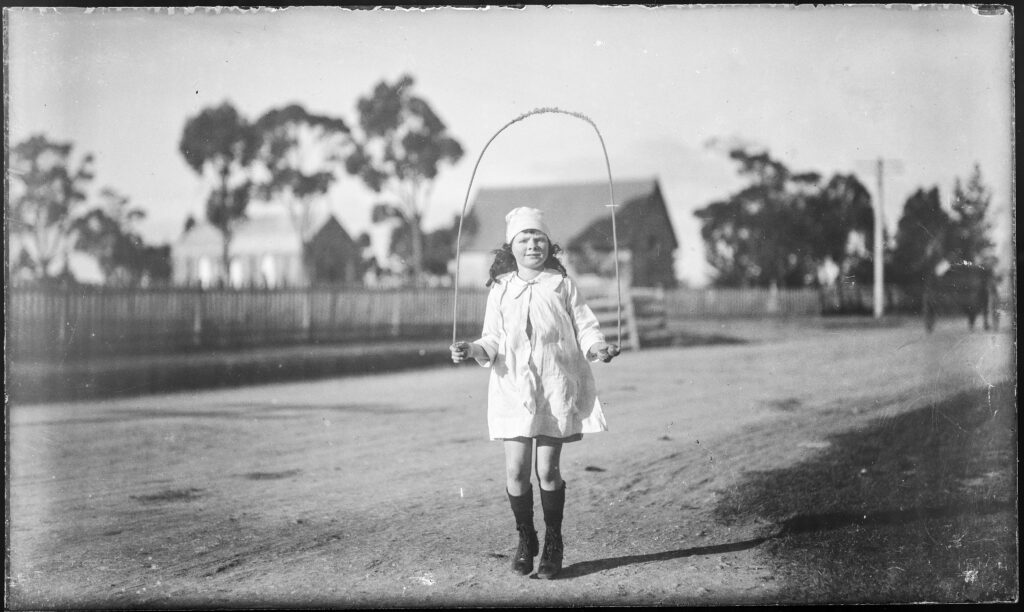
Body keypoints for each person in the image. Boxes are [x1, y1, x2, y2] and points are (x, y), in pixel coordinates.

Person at [450, 206, 620, 580]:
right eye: (524, 239)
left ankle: (554, 542)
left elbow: (586, 327)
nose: (532, 245)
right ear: (512, 247)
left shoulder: (561, 284)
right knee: (515, 470)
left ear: (549, 245)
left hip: (553, 386)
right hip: (512, 386)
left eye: (539, 238)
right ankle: (527, 538)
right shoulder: (501, 287)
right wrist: (471, 349)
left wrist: (598, 349)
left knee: (546, 469)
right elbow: (491, 338)